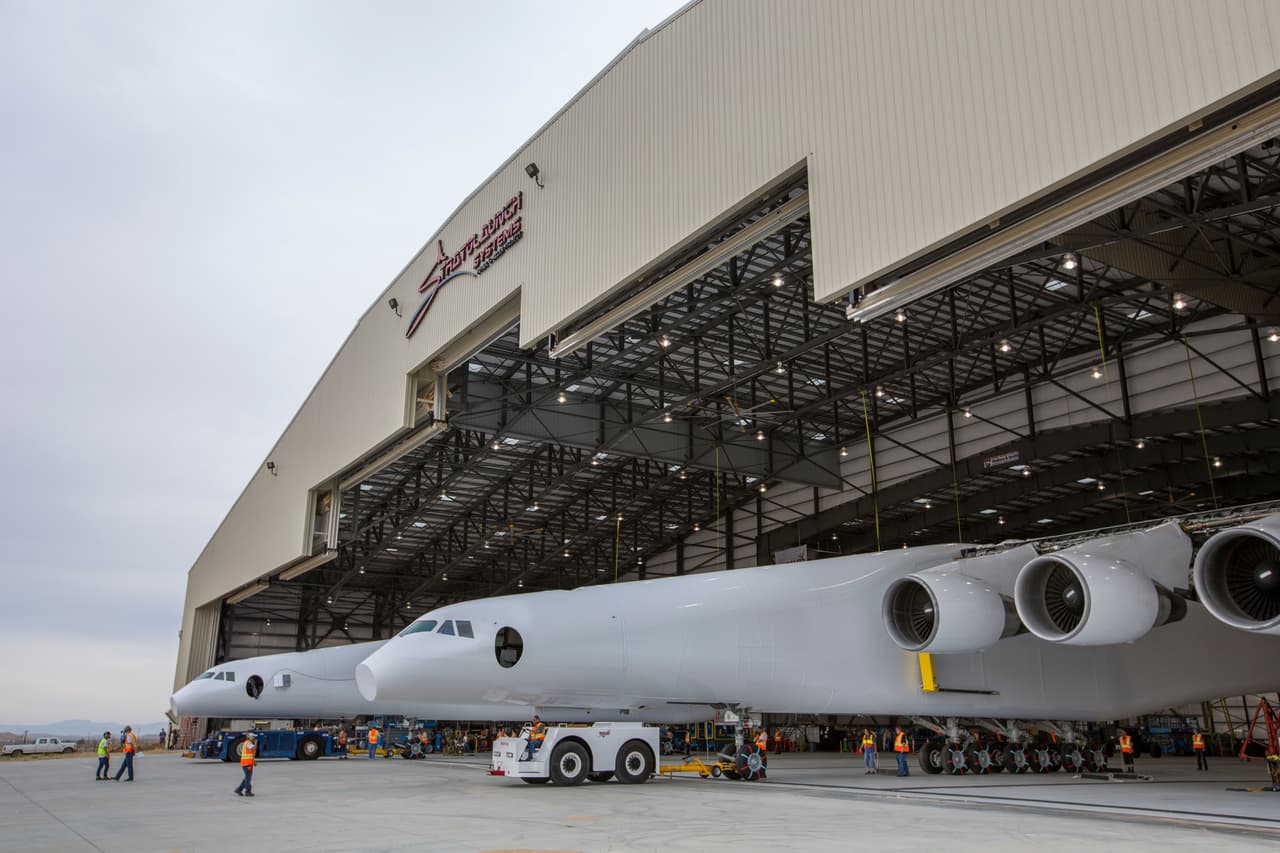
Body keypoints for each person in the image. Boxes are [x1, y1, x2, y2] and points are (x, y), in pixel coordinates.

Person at [234, 732, 256, 797]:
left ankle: (239, 789)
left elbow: (251, 754)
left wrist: (253, 762)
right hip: (247, 764)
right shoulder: (248, 743)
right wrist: (256, 743)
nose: (254, 738)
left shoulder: (246, 743)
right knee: (248, 778)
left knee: (247, 777)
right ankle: (247, 791)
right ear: (251, 737)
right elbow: (253, 749)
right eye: (254, 737)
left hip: (246, 763)